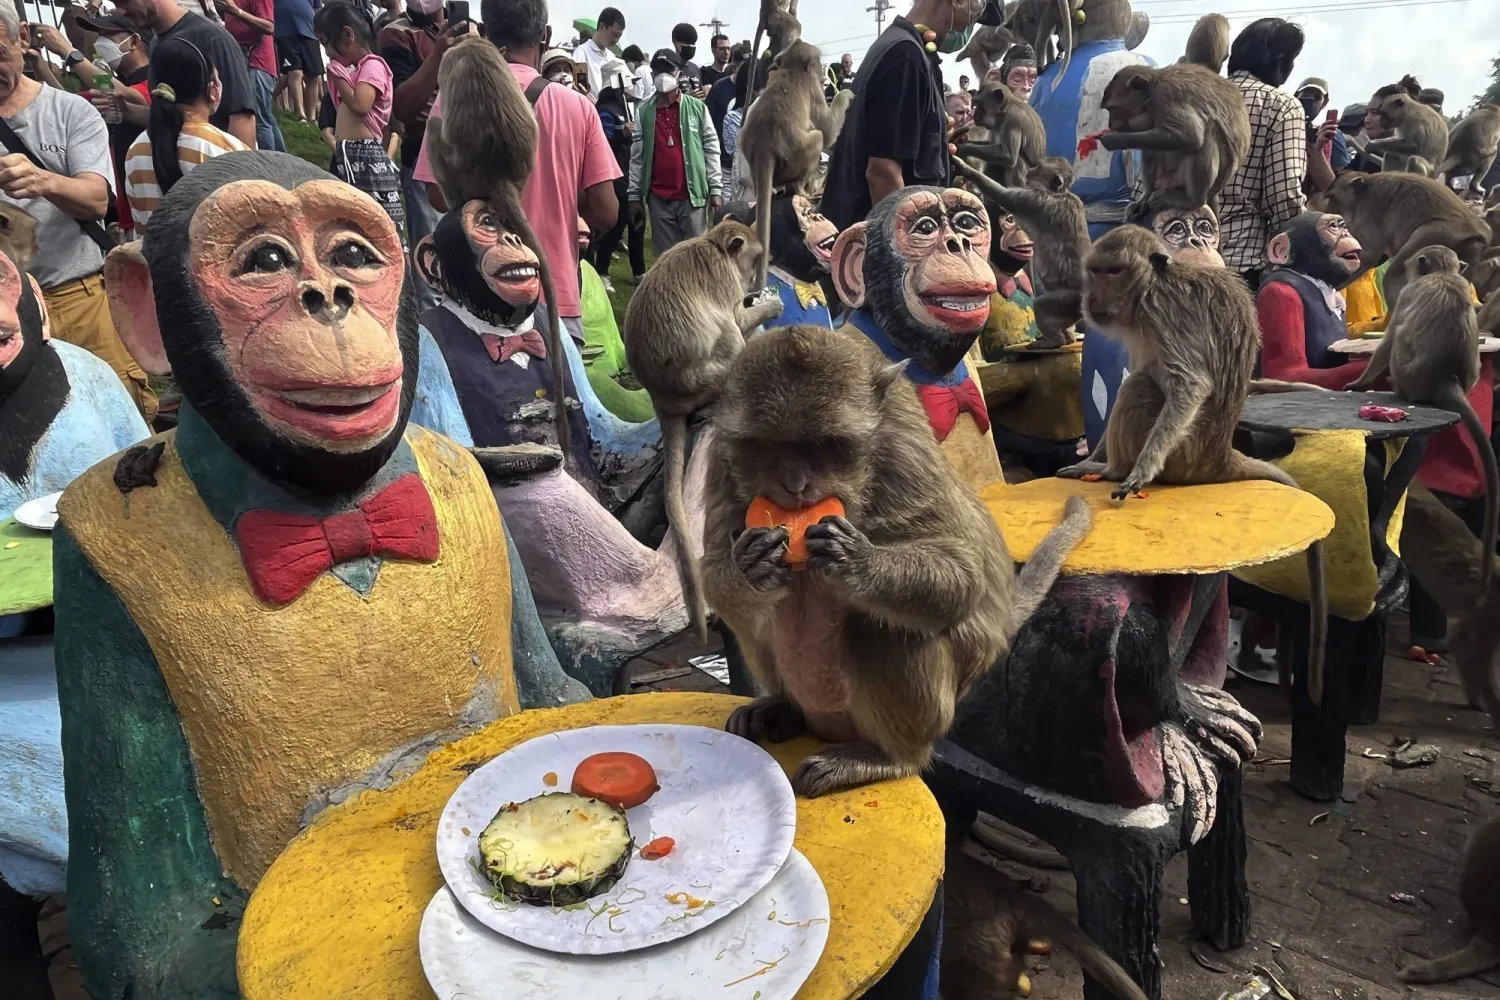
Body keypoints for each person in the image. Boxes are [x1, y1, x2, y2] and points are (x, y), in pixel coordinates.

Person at [415, 0, 620, 346]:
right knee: (561, 399)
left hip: (479, 293)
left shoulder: (454, 97)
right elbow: (606, 213)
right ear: (545, 35)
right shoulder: (577, 105)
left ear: (488, 33)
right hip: (555, 292)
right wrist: (564, 191)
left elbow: (436, 195)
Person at [0, 1, 155, 418]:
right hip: (7, 314)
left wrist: (43, 180)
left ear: (23, 40)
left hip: (79, 297)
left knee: (120, 416)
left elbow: (98, 199)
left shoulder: (70, 112)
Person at [823, 0, 974, 233]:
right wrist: (910, 253)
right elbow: (883, 174)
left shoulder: (905, 47)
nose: (969, 29)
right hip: (875, 249)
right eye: (974, 14)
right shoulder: (906, 57)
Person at [123, 35, 246, 231]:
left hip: (155, 261)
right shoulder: (227, 150)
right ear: (212, 89)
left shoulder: (135, 150)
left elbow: (141, 227)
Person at [1218, 17, 1307, 284]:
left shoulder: (1193, 96)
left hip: (1170, 255)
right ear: (1280, 61)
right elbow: (1284, 195)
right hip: (1240, 262)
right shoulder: (1281, 106)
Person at [380, 0, 468, 257]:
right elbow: (403, 108)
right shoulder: (396, 34)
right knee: (434, 256)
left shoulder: (473, 30)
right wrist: (437, 56)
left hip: (473, 157)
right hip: (424, 157)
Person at [116, 0, 258, 147]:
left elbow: (242, 118)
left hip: (214, 161)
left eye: (125, 1)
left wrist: (233, 168)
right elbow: (172, 118)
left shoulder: (212, 37)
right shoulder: (156, 44)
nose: (121, 11)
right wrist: (127, 111)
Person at [317, 1, 404, 240]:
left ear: (347, 35)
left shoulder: (373, 65)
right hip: (349, 155)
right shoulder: (354, 71)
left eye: (326, 43)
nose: (327, 52)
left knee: (381, 224)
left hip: (367, 156)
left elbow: (360, 105)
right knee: (356, 223)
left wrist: (338, 76)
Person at [627, 47, 722, 255]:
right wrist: (634, 195)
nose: (663, 75)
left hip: (693, 197)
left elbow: (711, 148)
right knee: (667, 259)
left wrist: (715, 188)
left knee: (697, 258)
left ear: (679, 73)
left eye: (668, 70)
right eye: (658, 70)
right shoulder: (644, 111)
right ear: (651, 74)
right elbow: (637, 157)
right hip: (659, 200)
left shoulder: (697, 108)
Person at [73, 12, 152, 236]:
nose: (101, 42)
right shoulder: (118, 84)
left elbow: (119, 92)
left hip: (151, 215)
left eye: (109, 35)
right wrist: (40, 66)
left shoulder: (153, 80)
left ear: (134, 41)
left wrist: (69, 54)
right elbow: (71, 101)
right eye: (99, 35)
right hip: (127, 212)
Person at [589, 56, 642, 289]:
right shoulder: (605, 110)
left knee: (635, 218)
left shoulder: (624, 108)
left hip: (629, 171)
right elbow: (603, 143)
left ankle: (638, 269)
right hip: (615, 174)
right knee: (617, 221)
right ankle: (601, 269)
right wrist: (623, 134)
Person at [219, 0, 286, 151]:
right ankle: (282, 161)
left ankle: (267, 165)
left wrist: (237, 12)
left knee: (258, 119)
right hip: (246, 62)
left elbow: (269, 26)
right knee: (265, 117)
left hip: (258, 62)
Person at [274, 0, 324, 122]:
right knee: (295, 72)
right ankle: (301, 114)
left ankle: (312, 118)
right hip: (284, 31)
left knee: (313, 76)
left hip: (310, 32)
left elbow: (317, 8)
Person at [705, 39, 748, 160]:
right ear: (734, 67)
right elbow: (708, 122)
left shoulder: (757, 86)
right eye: (743, 67)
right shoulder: (719, 87)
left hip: (750, 162)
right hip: (724, 161)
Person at [572, 6, 622, 100]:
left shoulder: (612, 58)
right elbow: (578, 88)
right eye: (614, 34)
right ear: (602, 27)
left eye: (619, 36)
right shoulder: (582, 53)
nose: (616, 40)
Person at [671, 22, 703, 97]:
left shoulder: (695, 68)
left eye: (693, 43)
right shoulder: (669, 68)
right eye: (686, 42)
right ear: (675, 42)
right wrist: (687, 98)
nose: (690, 46)